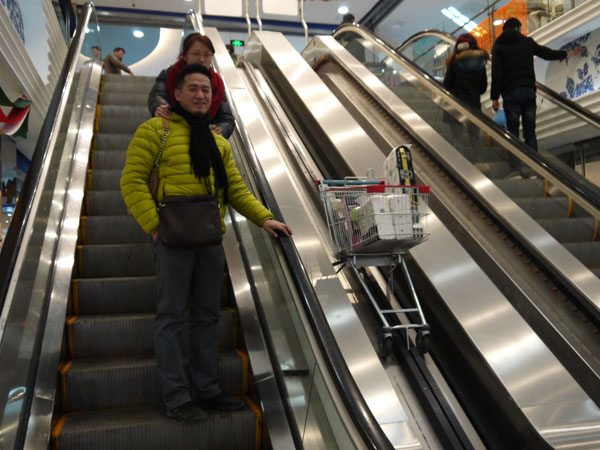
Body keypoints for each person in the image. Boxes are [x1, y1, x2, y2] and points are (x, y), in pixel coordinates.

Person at [121, 63, 292, 423]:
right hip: (171, 240)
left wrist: (264, 218)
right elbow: (132, 181)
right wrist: (155, 227)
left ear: (213, 100)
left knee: (206, 317)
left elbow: (236, 189)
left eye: (207, 91)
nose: (200, 95)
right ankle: (177, 397)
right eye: (193, 89)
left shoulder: (218, 142)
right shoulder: (155, 131)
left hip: (210, 241)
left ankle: (209, 391)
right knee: (170, 319)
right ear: (177, 94)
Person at [491, 17, 583, 151]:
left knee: (513, 132)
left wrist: (495, 96)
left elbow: (496, 72)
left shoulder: (498, 46)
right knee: (530, 132)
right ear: (517, 28)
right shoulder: (526, 42)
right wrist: (567, 53)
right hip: (529, 91)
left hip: (510, 93)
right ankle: (533, 166)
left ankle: (516, 164)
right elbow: (546, 53)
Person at [148, 33, 235, 139]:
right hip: (169, 132)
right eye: (196, 54)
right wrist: (159, 106)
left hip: (203, 137)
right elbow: (158, 94)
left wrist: (221, 131)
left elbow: (226, 118)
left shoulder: (217, 84)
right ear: (184, 56)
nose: (202, 59)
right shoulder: (171, 74)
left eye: (207, 55)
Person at [443, 33, 489, 156]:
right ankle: (480, 165)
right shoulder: (480, 63)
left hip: (456, 105)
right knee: (475, 138)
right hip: (473, 105)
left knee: (457, 139)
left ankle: (459, 168)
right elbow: (483, 88)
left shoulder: (453, 62)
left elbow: (446, 85)